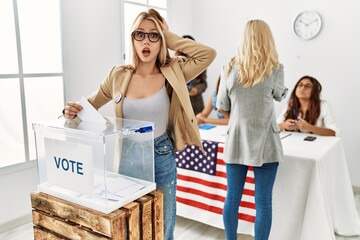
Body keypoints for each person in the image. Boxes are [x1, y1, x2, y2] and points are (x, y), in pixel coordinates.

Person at [62, 9, 216, 240]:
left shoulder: (173, 70)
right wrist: (70, 111)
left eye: (154, 35)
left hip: (161, 153)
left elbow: (208, 54)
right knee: (131, 226)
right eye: (140, 34)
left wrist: (169, 35)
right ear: (132, 39)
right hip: (126, 156)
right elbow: (88, 105)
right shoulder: (118, 75)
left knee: (163, 225)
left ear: (161, 40)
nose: (146, 41)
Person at [216, 19, 288, 240]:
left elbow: (222, 107)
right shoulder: (276, 68)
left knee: (233, 198)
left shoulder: (228, 67)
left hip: (237, 138)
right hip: (267, 140)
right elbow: (279, 95)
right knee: (263, 202)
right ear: (268, 39)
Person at [175, 35, 208, 115]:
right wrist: (186, 89)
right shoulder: (175, 63)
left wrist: (196, 90)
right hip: (180, 106)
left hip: (197, 106)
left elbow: (204, 83)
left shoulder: (200, 62)